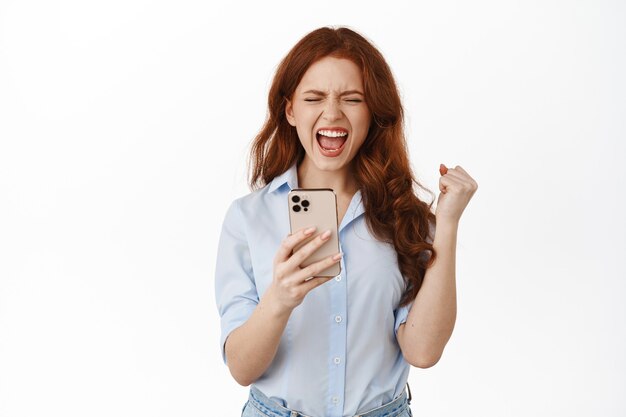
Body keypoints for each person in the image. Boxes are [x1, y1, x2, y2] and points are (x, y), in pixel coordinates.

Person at [214, 26, 478, 417]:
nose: (333, 113)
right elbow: (241, 368)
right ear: (290, 110)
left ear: (373, 112)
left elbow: (422, 353)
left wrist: (448, 223)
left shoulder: (407, 219)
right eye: (314, 98)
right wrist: (279, 300)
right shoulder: (248, 219)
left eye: (352, 99)